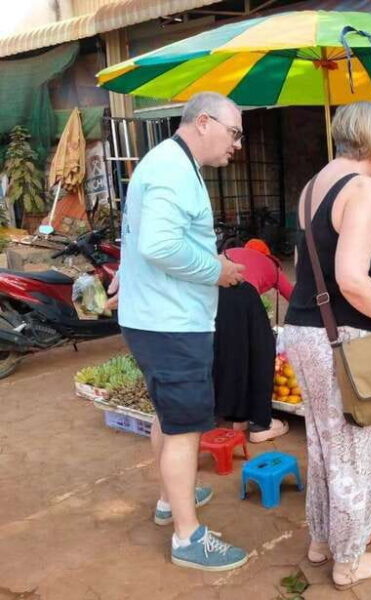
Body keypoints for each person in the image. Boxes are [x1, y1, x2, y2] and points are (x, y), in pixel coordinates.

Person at [283, 101, 371, 590]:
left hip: (305, 330)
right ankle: (349, 560)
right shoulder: (362, 186)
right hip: (346, 338)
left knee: (326, 445)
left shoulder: (313, 186)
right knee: (361, 450)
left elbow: (314, 265)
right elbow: (349, 279)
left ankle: (322, 542)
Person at [117, 92, 249, 571]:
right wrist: (216, 269)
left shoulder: (168, 163)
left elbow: (139, 238)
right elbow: (158, 243)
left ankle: (172, 500)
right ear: (205, 122)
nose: (237, 145)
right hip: (170, 322)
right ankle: (188, 538)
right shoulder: (173, 168)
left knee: (169, 418)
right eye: (234, 133)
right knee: (186, 427)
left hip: (155, 316)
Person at [214, 238, 293, 443]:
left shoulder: (233, 253)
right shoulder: (273, 267)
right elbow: (292, 296)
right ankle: (261, 424)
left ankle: (236, 418)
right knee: (262, 354)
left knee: (230, 353)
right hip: (242, 293)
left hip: (214, 296)